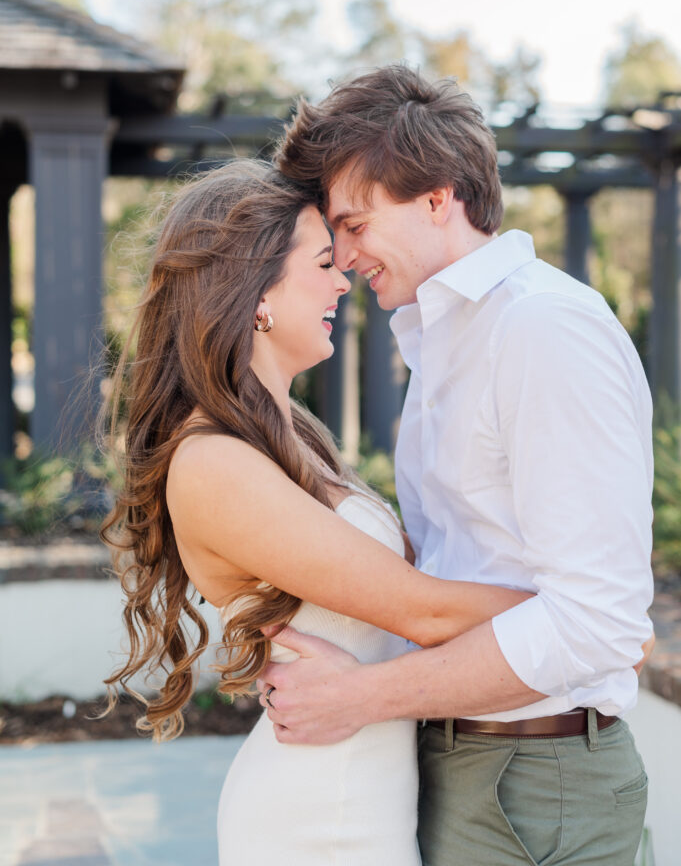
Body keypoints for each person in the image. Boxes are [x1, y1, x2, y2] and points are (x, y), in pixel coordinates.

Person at [258, 65, 655, 866]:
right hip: (467, 761)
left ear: (438, 197)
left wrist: (360, 698)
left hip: (536, 784)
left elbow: (598, 620)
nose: (340, 255)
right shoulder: (444, 342)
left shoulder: (541, 330)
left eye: (356, 224)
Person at [100, 159, 537, 865]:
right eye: (323, 262)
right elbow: (419, 611)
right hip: (319, 816)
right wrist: (587, 616)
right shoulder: (213, 460)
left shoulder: (285, 436)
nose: (343, 280)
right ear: (256, 290)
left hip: (363, 787)